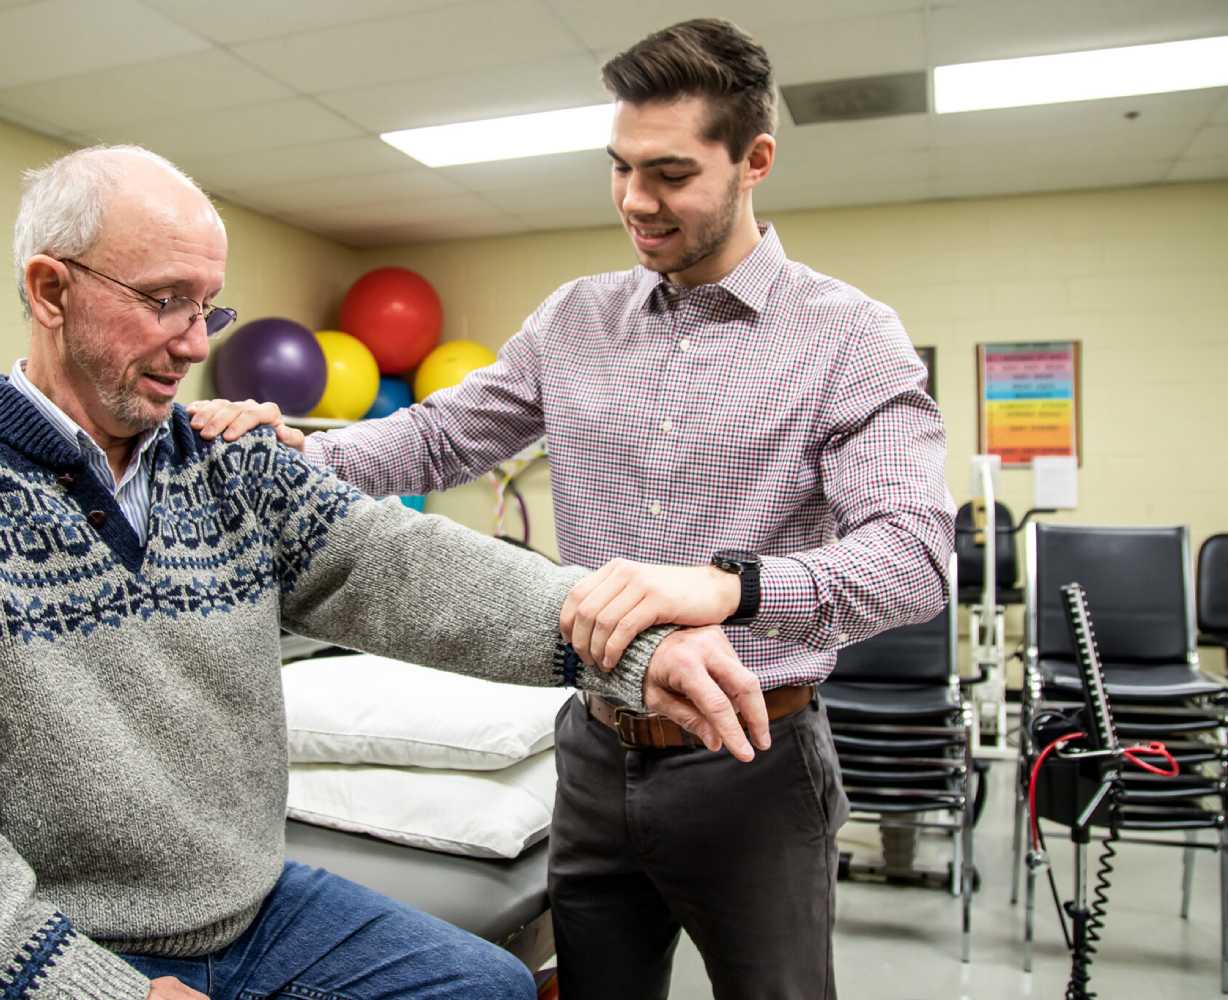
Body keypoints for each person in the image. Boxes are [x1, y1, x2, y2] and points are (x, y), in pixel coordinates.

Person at [0, 144, 770, 1000]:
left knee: (482, 985)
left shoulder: (230, 465)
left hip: (250, 913)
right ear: (52, 290)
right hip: (47, 942)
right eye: (163, 301)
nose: (196, 343)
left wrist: (637, 645)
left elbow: (407, 566)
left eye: (206, 305)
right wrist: (87, 988)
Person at [189, 17, 956, 1000]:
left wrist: (730, 585)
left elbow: (915, 561)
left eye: (671, 174)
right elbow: (434, 437)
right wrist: (298, 453)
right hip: (595, 750)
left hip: (753, 759)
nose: (637, 200)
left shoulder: (848, 338)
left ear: (755, 160)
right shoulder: (574, 319)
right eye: (621, 167)